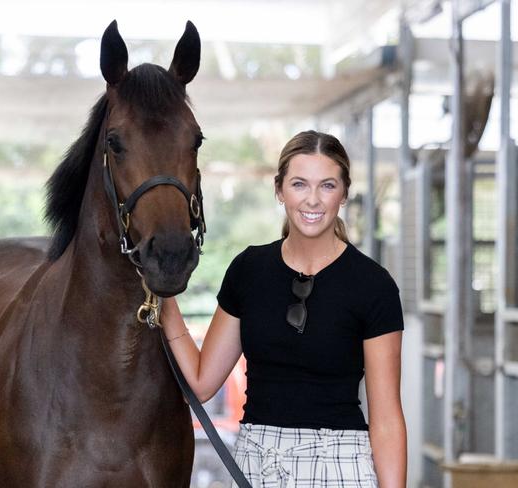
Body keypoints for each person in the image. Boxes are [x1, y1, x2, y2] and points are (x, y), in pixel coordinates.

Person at [160, 130, 407, 488]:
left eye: (327, 185)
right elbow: (200, 384)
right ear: (279, 191)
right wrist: (163, 298)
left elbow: (386, 421)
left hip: (340, 465)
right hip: (254, 463)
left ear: (344, 193)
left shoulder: (373, 285)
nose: (313, 200)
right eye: (299, 184)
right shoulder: (249, 270)